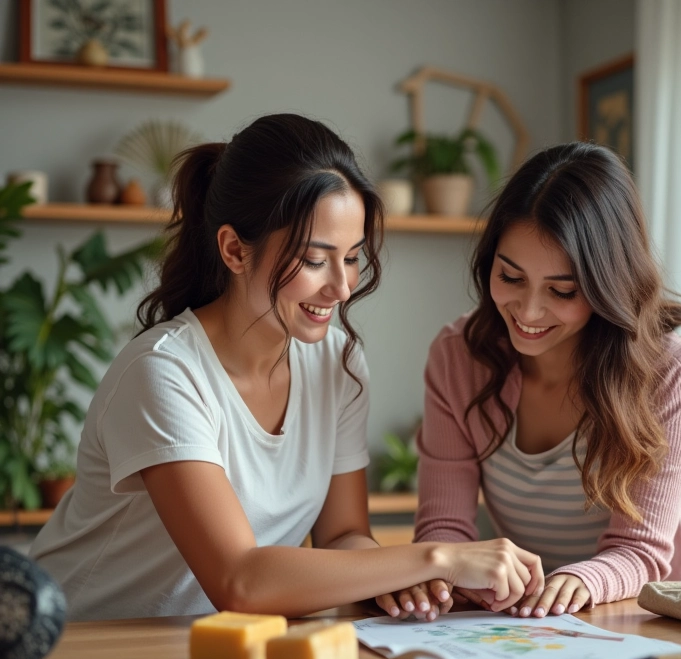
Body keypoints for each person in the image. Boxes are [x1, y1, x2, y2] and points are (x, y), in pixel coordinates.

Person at [30, 113, 544, 621]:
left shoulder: (337, 364)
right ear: (234, 250)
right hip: (77, 643)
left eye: (351, 257)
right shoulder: (163, 374)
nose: (341, 288)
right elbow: (240, 580)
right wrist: (440, 558)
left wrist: (399, 580)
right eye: (316, 260)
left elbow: (342, 535)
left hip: (209, 649)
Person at [383, 141, 681, 621]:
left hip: (666, 618)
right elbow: (444, 526)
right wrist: (447, 577)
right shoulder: (458, 356)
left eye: (562, 291)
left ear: (607, 284)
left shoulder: (668, 371)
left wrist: (577, 579)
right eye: (511, 277)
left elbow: (642, 551)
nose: (527, 312)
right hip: (540, 622)